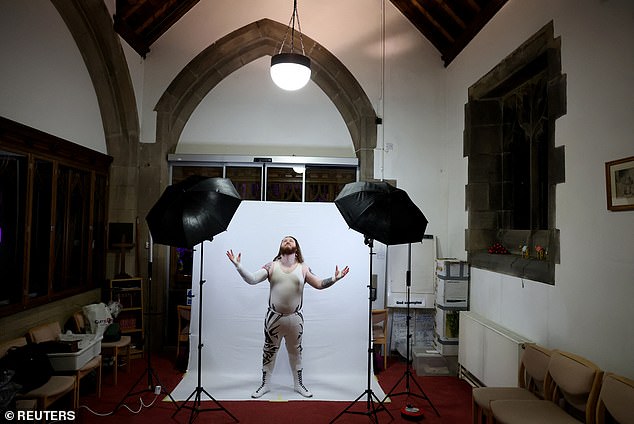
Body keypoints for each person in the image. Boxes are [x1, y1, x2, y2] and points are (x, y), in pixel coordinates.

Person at [226, 235, 349, 398]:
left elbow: (319, 284)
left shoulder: (303, 268)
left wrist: (335, 278)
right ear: (280, 247)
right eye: (284, 240)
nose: (287, 241)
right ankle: (265, 385)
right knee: (269, 351)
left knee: (296, 352)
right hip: (274, 317)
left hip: (295, 318)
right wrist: (239, 266)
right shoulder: (271, 266)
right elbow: (253, 279)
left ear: (296, 248)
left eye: (291, 240)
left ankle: (298, 384)